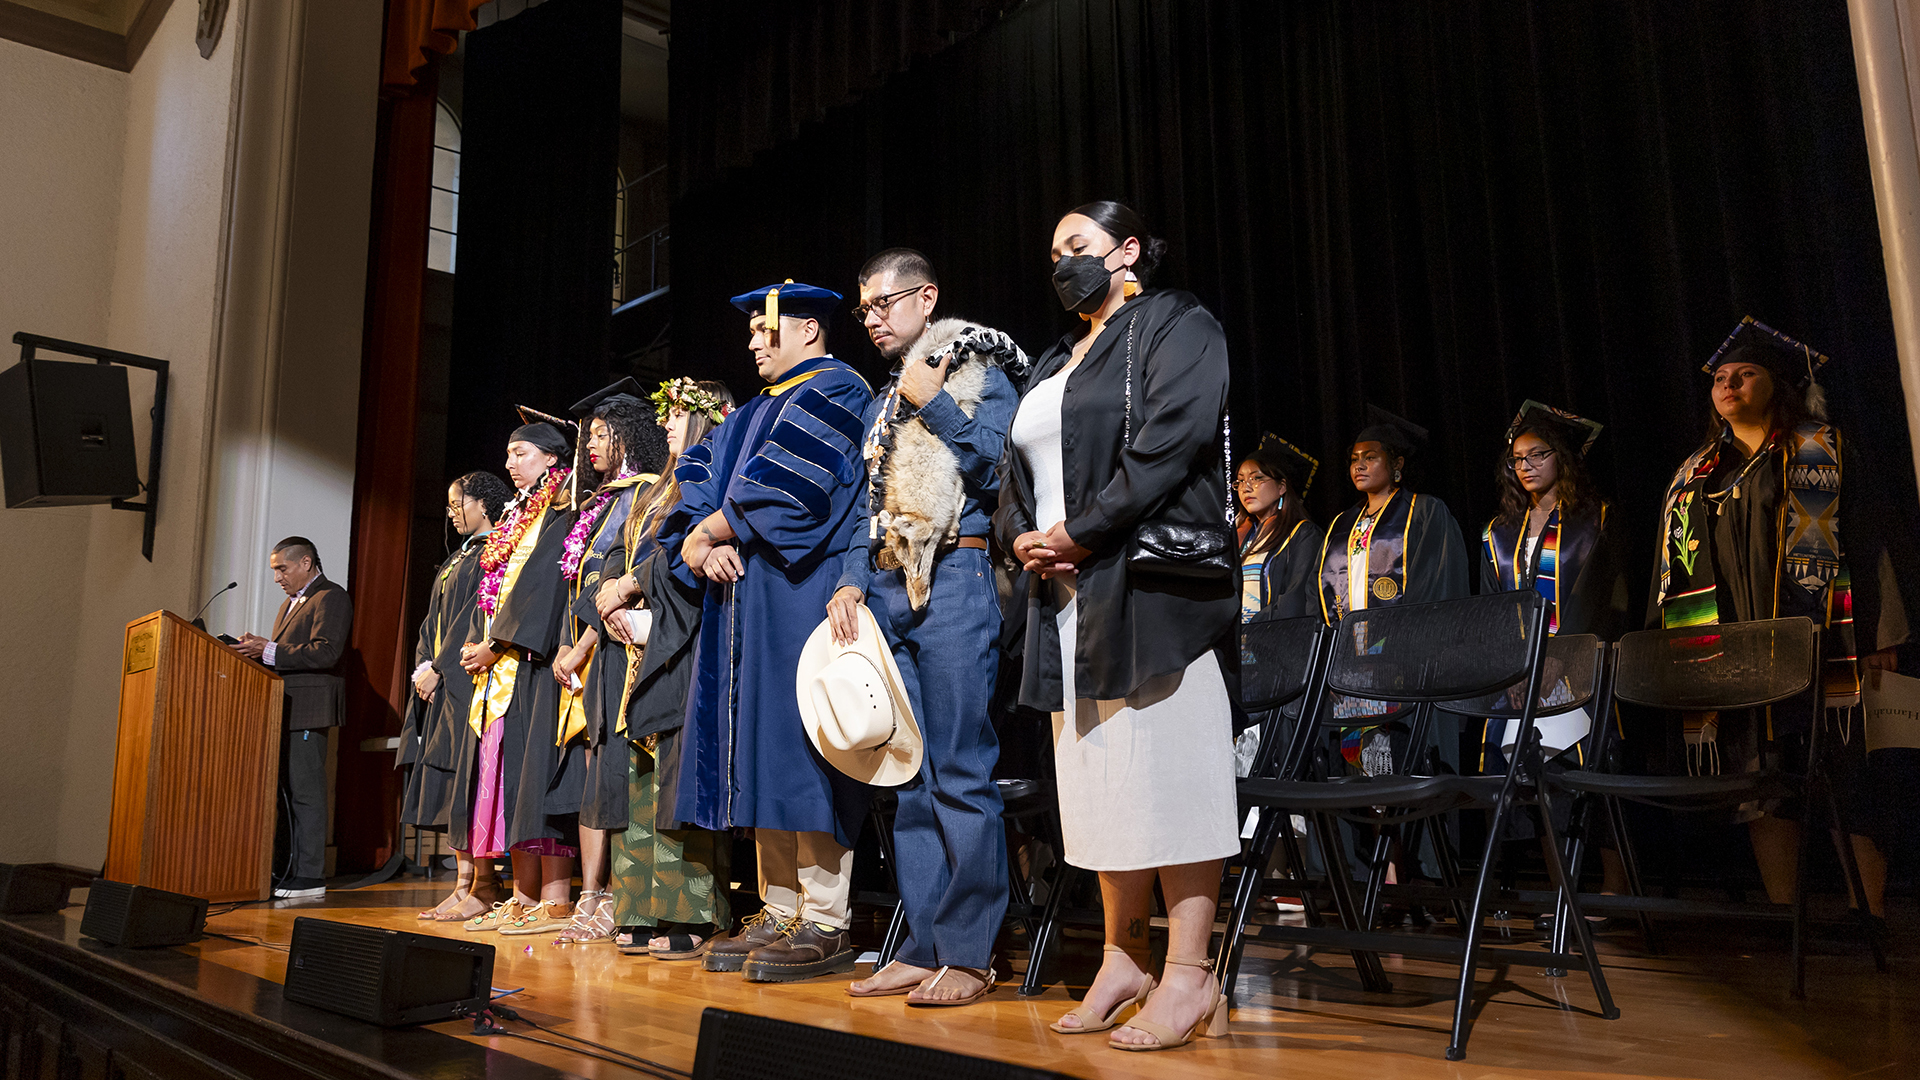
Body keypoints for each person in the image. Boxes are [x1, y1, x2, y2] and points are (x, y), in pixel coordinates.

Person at [996, 201, 1238, 1052]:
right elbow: (1020, 468)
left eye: (1079, 246)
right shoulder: (1058, 357)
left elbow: (1172, 441)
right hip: (1067, 598)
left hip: (1149, 589)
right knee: (1100, 785)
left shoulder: (1175, 322)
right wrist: (1022, 534)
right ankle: (1122, 959)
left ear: (1127, 250)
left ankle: (1189, 975)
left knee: (1173, 774)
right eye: (1054, 250)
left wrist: (1084, 530)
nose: (1063, 261)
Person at [832, 248, 1023, 1007]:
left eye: (883, 304)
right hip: (885, 582)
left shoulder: (975, 369)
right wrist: (850, 580)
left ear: (927, 297)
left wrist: (934, 403)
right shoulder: (885, 400)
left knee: (959, 769)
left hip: (954, 576)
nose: (872, 319)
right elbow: (862, 500)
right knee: (903, 777)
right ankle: (923, 944)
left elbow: (1003, 467)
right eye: (865, 309)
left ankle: (972, 953)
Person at [675, 281, 876, 983]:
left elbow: (788, 488)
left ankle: (826, 914)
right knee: (756, 744)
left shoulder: (837, 391)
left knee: (801, 747)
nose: (754, 344)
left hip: (801, 593)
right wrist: (700, 541)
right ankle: (779, 905)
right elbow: (698, 479)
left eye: (767, 332)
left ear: (811, 332)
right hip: (744, 601)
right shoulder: (753, 408)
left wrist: (712, 530)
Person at [1650, 317, 1876, 914]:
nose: (1728, 385)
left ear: (1777, 384)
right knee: (1759, 782)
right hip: (1736, 657)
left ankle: (1868, 917)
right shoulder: (1696, 475)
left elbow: (1871, 541)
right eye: (1720, 378)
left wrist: (1883, 632)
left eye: (1745, 374)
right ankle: (1786, 914)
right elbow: (1671, 574)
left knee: (1839, 779)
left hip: (1820, 641)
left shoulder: (1816, 449)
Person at [595, 377, 736, 958]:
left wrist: (633, 589)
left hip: (685, 633)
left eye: (678, 414)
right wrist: (610, 598)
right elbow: (631, 555)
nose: (667, 425)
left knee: (683, 771)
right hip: (640, 639)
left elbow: (680, 557)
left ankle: (692, 910)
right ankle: (640, 906)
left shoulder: (710, 475)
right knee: (642, 776)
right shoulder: (657, 487)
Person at [1478, 401, 1629, 901]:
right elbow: (1494, 609)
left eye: (1536, 454)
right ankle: (1564, 894)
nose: (1524, 466)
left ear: (1563, 456)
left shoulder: (1596, 518)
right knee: (1537, 785)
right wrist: (1514, 669)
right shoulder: (1499, 532)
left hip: (1579, 671)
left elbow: (1605, 595)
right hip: (1521, 678)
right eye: (1516, 458)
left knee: (1589, 776)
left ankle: (1614, 889)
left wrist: (1561, 658)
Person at [549, 381, 670, 945]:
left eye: (602, 434)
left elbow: (617, 580)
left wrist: (581, 645)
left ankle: (617, 897)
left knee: (614, 771)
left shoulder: (641, 496)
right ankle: (591, 894)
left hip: (619, 651)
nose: (591, 445)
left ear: (628, 436)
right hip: (589, 655)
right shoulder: (603, 499)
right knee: (595, 769)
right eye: (589, 435)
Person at [454, 420, 581, 937]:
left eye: (521, 453)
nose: (510, 463)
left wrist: (498, 641)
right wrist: (480, 640)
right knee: (516, 783)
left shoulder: (564, 510)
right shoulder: (519, 516)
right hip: (508, 664)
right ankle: (523, 895)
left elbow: (546, 585)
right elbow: (498, 586)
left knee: (540, 780)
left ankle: (553, 899)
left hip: (540, 660)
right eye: (508, 453)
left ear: (551, 458)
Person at [1316, 406, 1470, 775]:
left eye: (1371, 457)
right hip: (1350, 671)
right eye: (1354, 459)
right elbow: (1321, 593)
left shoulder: (1425, 512)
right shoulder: (1343, 524)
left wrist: (1395, 652)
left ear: (1397, 463)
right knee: (1356, 778)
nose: (1359, 465)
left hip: (1407, 670)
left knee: (1405, 771)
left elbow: (1437, 592)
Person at [409, 471, 512, 921]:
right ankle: (462, 882)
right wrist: (422, 666)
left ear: (482, 504)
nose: (451, 514)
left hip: (467, 680)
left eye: (457, 504)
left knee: (469, 783)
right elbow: (432, 621)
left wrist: (440, 667)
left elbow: (472, 619)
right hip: (442, 683)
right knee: (453, 785)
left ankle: (484, 884)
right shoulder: (460, 556)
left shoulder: (497, 551)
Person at [228, 537, 353, 900]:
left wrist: (269, 649)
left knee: (307, 794)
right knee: (286, 794)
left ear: (306, 562)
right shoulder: (288, 604)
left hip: (310, 709)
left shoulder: (331, 596)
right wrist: (259, 649)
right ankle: (288, 868)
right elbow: (289, 654)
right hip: (286, 709)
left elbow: (326, 651)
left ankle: (310, 875)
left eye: (282, 568)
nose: (277, 578)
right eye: (274, 571)